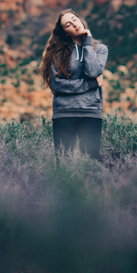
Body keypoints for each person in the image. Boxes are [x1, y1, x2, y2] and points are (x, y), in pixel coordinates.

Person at [40, 9, 108, 163]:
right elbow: (57, 85)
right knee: (64, 164)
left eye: (74, 19)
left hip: (90, 112)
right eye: (67, 25)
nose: (74, 24)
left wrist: (88, 43)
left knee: (91, 164)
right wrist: (88, 85)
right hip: (64, 113)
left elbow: (92, 71)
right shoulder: (56, 53)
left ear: (80, 19)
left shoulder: (101, 49)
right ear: (65, 32)